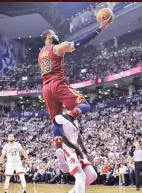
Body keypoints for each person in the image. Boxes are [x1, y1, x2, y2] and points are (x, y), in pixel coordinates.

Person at [38, 14, 113, 172]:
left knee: (57, 122)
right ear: (48, 37)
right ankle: (70, 117)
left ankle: (59, 148)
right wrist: (101, 28)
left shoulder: (40, 55)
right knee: (84, 104)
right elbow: (79, 43)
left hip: (45, 88)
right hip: (57, 84)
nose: (57, 36)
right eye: (55, 35)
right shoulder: (56, 47)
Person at [61, 120, 98, 193]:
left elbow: (77, 135)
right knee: (80, 176)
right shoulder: (59, 117)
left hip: (77, 149)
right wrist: (76, 148)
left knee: (92, 175)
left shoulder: (74, 117)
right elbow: (61, 136)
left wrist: (85, 151)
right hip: (68, 149)